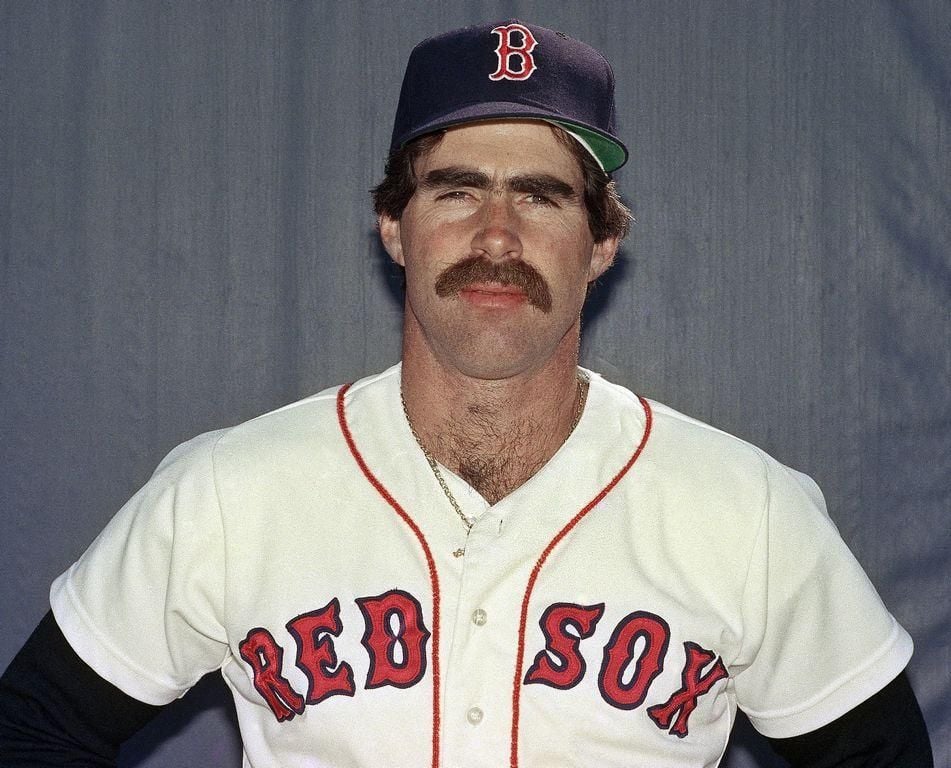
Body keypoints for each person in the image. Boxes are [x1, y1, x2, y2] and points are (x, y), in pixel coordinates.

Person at [0, 20, 933, 768]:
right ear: (393, 228)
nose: (495, 236)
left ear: (601, 243)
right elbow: (35, 730)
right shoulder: (226, 493)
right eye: (454, 192)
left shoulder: (749, 512)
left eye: (540, 196)